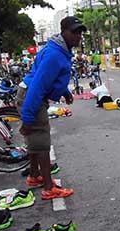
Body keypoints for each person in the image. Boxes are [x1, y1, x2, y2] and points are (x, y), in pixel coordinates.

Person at [17, 16, 86, 200]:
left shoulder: (60, 50)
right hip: (32, 97)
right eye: (74, 32)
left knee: (35, 141)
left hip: (31, 94)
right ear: (63, 32)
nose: (78, 36)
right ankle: (48, 187)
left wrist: (64, 91)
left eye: (80, 32)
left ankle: (34, 176)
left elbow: (52, 78)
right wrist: (27, 117)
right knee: (41, 142)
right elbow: (38, 86)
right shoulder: (55, 54)